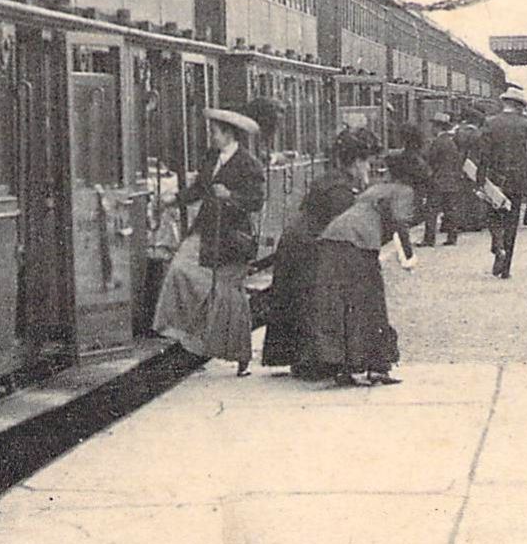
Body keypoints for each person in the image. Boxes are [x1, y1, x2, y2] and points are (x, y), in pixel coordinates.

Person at [152, 107, 267, 374]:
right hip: (206, 230)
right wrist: (173, 199)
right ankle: (187, 340)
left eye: (214, 132)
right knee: (180, 271)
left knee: (228, 294)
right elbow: (199, 190)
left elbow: (256, 201)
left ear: (228, 134)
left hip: (231, 237)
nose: (211, 137)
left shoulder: (249, 164)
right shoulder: (211, 157)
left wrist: (230, 196)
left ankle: (240, 356)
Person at [261, 127, 379, 377]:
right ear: (357, 162)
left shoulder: (332, 180)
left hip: (299, 244)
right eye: (367, 163)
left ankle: (308, 357)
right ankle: (319, 360)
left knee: (303, 302)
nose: (368, 169)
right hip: (308, 248)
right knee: (318, 300)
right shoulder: (342, 191)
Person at [309, 150, 431, 385]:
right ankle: (376, 365)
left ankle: (343, 365)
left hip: (332, 239)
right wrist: (409, 257)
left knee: (342, 304)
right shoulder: (404, 191)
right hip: (358, 245)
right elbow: (399, 224)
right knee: (371, 304)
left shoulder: (377, 188)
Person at [479, 85, 527, 278]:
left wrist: (481, 179)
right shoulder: (525, 123)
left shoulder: (490, 122)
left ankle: (497, 244)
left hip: (496, 178)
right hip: (518, 179)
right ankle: (506, 270)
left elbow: (484, 154)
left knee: (493, 216)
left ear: (504, 102)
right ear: (520, 105)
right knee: (512, 222)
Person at [419, 113, 463, 246]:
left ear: (438, 127)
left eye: (433, 126)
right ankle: (452, 237)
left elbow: (430, 160)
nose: (432, 128)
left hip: (438, 181)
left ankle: (429, 239)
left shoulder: (438, 142)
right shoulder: (451, 142)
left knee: (431, 211)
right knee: (450, 210)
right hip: (451, 181)